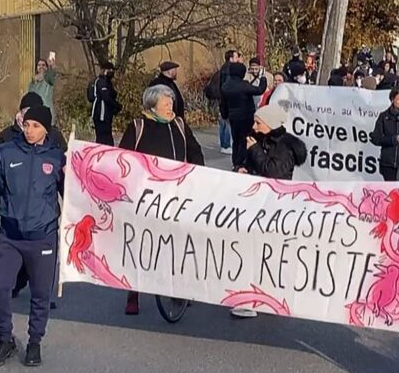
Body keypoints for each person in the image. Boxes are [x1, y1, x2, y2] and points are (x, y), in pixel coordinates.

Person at [0, 106, 64, 367]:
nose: (29, 131)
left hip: (43, 236)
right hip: (10, 236)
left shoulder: (57, 157)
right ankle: (5, 339)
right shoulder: (6, 153)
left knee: (40, 292)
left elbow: (72, 197)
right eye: (26, 125)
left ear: (46, 128)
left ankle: (34, 341)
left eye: (36, 126)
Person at [118, 86, 206, 316]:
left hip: (176, 195)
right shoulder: (138, 127)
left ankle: (178, 290)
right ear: (152, 105)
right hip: (145, 197)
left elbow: (195, 151)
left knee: (177, 241)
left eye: (172, 103)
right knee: (141, 244)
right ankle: (133, 292)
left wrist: (197, 173)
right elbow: (122, 159)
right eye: (166, 103)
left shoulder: (179, 125)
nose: (171, 107)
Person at [0, 92, 67, 163]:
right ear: (21, 112)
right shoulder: (6, 136)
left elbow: (64, 158)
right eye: (27, 111)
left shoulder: (54, 135)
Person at [239, 104, 306, 180]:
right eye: (254, 122)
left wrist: (255, 149)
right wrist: (240, 168)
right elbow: (249, 164)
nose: (254, 126)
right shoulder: (256, 139)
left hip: (275, 190)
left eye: (258, 123)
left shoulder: (285, 145)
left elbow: (273, 172)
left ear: (270, 124)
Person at [221, 61, 268, 170]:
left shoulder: (225, 86)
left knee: (235, 140)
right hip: (245, 116)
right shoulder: (243, 85)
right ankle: (241, 162)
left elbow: (223, 103)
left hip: (233, 116)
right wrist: (262, 77)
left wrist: (225, 114)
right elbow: (259, 90)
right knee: (244, 140)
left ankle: (235, 162)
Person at [89, 61, 120, 146]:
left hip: (106, 115)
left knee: (106, 138)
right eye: (110, 70)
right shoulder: (101, 81)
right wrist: (116, 105)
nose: (112, 72)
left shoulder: (107, 82)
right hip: (101, 115)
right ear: (105, 70)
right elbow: (106, 97)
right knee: (104, 139)